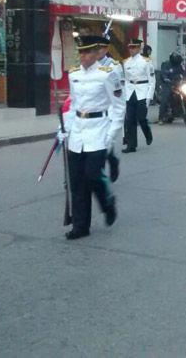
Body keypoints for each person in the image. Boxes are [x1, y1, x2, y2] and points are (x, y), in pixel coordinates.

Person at [60, 35, 126, 240]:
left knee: (92, 175)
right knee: (77, 181)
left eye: (87, 52)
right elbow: (73, 104)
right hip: (77, 132)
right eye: (80, 52)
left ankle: (108, 204)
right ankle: (80, 226)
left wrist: (111, 135)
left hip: (98, 130)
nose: (83, 56)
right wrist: (63, 128)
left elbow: (118, 107)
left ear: (97, 53)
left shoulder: (107, 74)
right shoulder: (74, 75)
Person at [97, 37, 123, 182]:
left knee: (104, 144)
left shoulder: (113, 66)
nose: (97, 51)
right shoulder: (88, 65)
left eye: (100, 48)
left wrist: (115, 116)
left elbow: (118, 93)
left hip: (109, 111)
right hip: (90, 113)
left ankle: (107, 166)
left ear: (106, 49)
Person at [122, 39, 155, 153]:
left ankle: (147, 132)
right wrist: (125, 93)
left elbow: (152, 81)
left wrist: (149, 97)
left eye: (133, 47)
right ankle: (131, 145)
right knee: (130, 119)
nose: (131, 50)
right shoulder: (126, 62)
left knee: (141, 118)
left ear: (138, 48)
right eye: (130, 47)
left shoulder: (146, 61)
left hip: (142, 91)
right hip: (131, 92)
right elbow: (126, 80)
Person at [159, 52, 185, 124]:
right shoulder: (166, 64)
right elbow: (163, 73)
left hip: (176, 83)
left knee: (184, 93)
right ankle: (161, 118)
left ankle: (181, 112)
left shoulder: (179, 66)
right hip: (166, 83)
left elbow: (183, 73)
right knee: (165, 97)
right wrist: (165, 78)